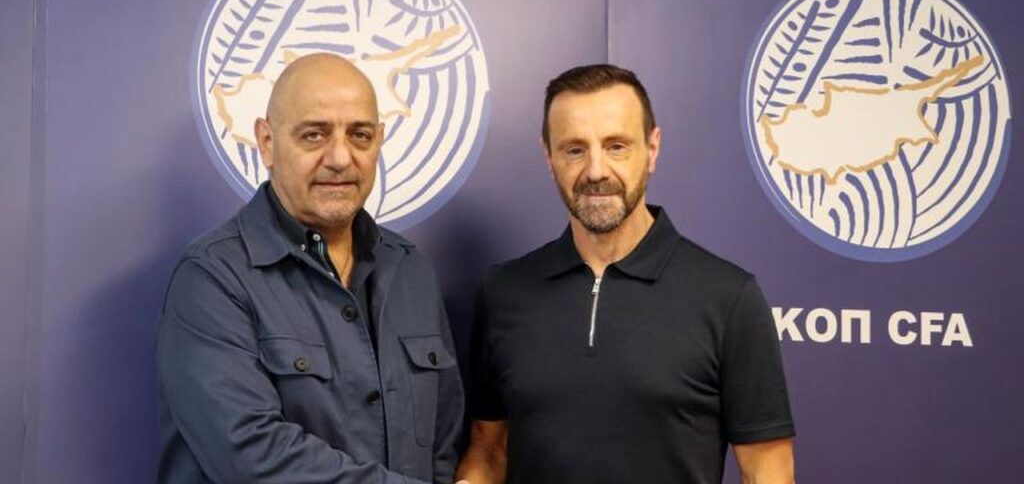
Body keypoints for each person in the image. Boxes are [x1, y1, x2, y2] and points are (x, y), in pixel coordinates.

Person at [456, 64, 795, 484]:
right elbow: (490, 448)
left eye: (616, 146)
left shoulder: (729, 298)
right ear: (549, 157)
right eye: (574, 150)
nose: (596, 171)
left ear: (652, 149)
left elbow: (767, 471)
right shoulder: (503, 292)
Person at [157, 53, 463, 484]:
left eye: (359, 135)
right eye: (314, 135)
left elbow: (443, 445)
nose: (340, 158)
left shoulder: (411, 271)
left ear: (379, 140)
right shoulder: (212, 278)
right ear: (267, 142)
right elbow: (253, 457)